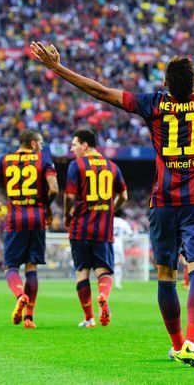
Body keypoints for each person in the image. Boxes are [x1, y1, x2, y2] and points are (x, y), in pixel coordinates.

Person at [30, 8, 194, 368]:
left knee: (165, 275)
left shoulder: (153, 104)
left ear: (165, 84)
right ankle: (192, 343)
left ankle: (178, 343)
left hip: (164, 203)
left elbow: (100, 91)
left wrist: (58, 68)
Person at [0, 129, 58, 328]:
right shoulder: (44, 160)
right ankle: (29, 318)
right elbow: (54, 189)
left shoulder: (3, 160)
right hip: (37, 218)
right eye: (40, 143)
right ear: (33, 144)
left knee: (11, 267)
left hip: (15, 218)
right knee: (31, 268)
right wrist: (46, 206)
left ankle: (19, 295)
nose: (41, 147)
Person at [64, 128, 128, 328]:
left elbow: (68, 196)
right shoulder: (112, 166)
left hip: (80, 227)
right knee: (104, 271)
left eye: (74, 145)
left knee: (82, 271)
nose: (72, 149)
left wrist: (67, 214)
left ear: (85, 145)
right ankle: (103, 295)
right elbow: (124, 196)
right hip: (103, 228)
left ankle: (89, 318)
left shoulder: (77, 166)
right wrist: (110, 210)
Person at [113, 208, 133, 289]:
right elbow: (130, 233)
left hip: (108, 245)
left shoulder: (109, 220)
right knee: (117, 265)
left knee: (106, 265)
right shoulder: (123, 222)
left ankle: (104, 283)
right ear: (121, 215)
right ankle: (117, 284)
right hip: (118, 246)